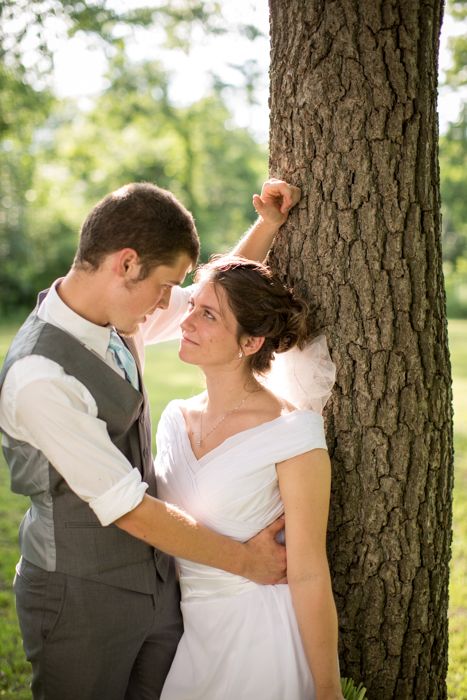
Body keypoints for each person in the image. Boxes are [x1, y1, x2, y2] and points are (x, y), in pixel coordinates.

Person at [0, 178, 300, 700]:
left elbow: (211, 303)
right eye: (166, 286)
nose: (173, 304)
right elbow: (129, 508)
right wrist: (247, 562)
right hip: (79, 596)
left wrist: (267, 226)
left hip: (159, 581)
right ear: (126, 263)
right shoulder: (40, 376)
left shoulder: (121, 313)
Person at [155, 256, 343, 700]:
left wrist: (329, 691)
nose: (186, 321)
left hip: (260, 637)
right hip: (189, 636)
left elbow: (310, 573)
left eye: (208, 314)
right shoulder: (173, 419)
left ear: (251, 341)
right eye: (192, 306)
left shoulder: (291, 432)